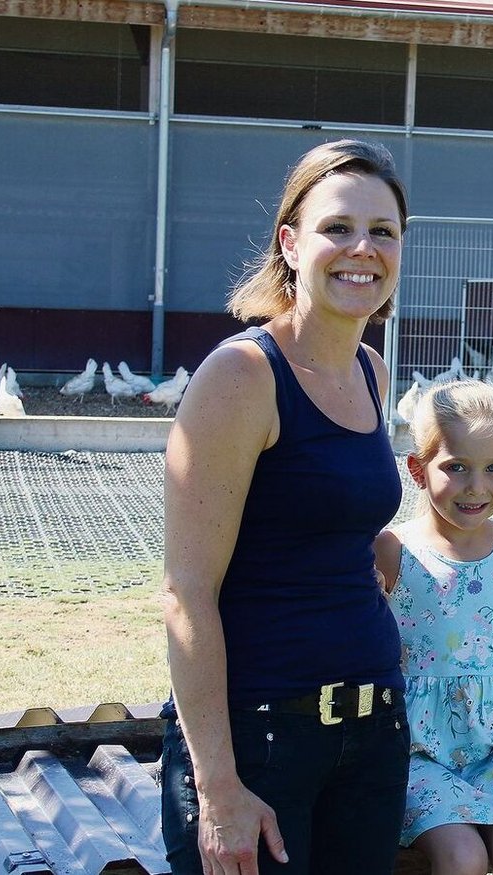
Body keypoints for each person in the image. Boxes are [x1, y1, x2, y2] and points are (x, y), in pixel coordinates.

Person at [161, 139, 410, 875]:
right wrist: (219, 787)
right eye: (338, 227)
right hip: (259, 743)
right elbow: (186, 594)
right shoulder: (240, 377)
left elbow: (329, 519)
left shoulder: (370, 368)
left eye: (384, 231)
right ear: (291, 243)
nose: (362, 247)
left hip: (372, 735)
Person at [373, 379, 493, 875]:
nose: (476, 487)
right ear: (417, 469)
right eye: (456, 468)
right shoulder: (392, 551)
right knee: (462, 858)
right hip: (416, 756)